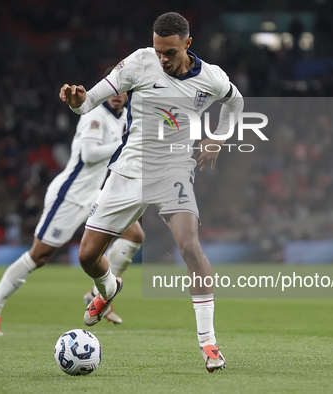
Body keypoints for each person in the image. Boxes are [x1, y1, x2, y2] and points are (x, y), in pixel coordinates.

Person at [59, 12, 243, 372]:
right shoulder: (140, 62)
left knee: (190, 246)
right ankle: (108, 289)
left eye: (170, 52)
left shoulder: (212, 78)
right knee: (87, 256)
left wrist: (218, 138)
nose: (163, 58)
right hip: (129, 169)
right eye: (159, 50)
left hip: (174, 168)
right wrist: (76, 99)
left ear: (188, 45)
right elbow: (87, 103)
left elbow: (235, 103)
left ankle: (208, 343)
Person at [0, 86, 144, 336]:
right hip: (70, 195)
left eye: (123, 91)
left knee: (134, 235)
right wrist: (124, 143)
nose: (118, 95)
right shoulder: (95, 115)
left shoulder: (123, 117)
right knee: (39, 256)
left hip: (95, 193)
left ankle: (101, 293)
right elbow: (88, 155)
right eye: (115, 90)